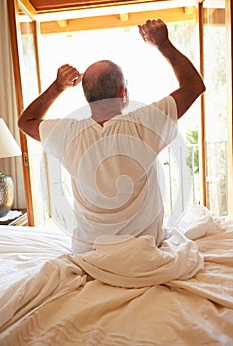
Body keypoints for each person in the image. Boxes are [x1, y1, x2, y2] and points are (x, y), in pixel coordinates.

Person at [18, 19, 205, 253]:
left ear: (87, 97)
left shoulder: (67, 134)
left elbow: (26, 121)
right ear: (122, 93)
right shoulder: (145, 123)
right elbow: (193, 86)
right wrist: (164, 44)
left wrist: (58, 87)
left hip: (89, 254)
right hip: (142, 251)